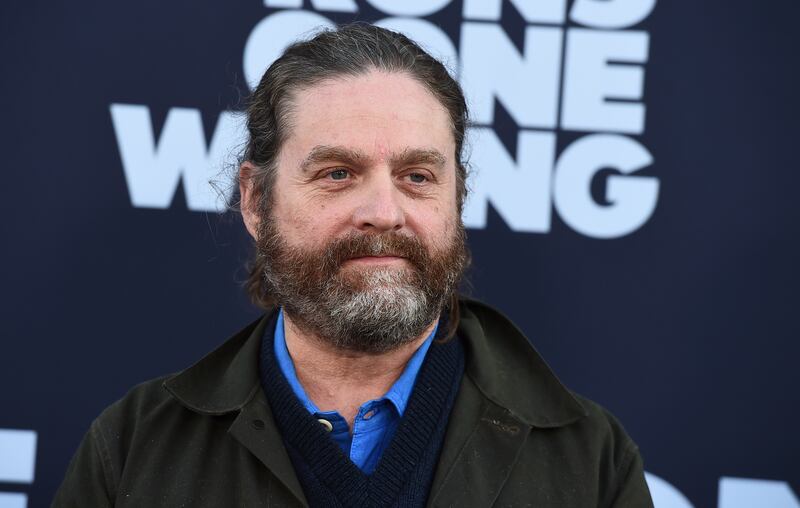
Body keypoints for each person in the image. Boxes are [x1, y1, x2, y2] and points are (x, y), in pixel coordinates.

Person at [53, 23, 654, 507]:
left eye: (417, 177)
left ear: (456, 201)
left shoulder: (590, 461)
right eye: (337, 174)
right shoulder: (135, 447)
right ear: (256, 201)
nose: (383, 211)